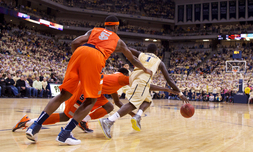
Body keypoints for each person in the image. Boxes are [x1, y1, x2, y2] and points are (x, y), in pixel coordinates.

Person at [26, 15, 152, 145]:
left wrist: (80, 58)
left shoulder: (94, 31)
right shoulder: (118, 40)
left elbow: (75, 42)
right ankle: (65, 134)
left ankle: (34, 127)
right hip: (96, 56)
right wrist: (144, 69)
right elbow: (133, 59)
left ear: (105, 25)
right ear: (115, 26)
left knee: (63, 94)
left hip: (79, 52)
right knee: (91, 100)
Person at [13, 68, 177, 132]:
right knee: (65, 116)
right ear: (127, 76)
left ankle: (83, 120)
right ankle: (29, 121)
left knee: (108, 106)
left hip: (94, 94)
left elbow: (119, 104)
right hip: (83, 92)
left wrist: (134, 114)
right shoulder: (121, 78)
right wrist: (166, 88)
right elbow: (146, 85)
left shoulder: (114, 84)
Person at [99, 44, 188, 139]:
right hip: (141, 81)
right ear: (156, 52)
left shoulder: (141, 54)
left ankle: (137, 116)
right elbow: (169, 80)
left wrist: (110, 49)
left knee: (148, 100)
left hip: (135, 80)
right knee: (133, 104)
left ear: (147, 51)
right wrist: (180, 93)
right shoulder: (159, 62)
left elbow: (126, 49)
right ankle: (108, 121)